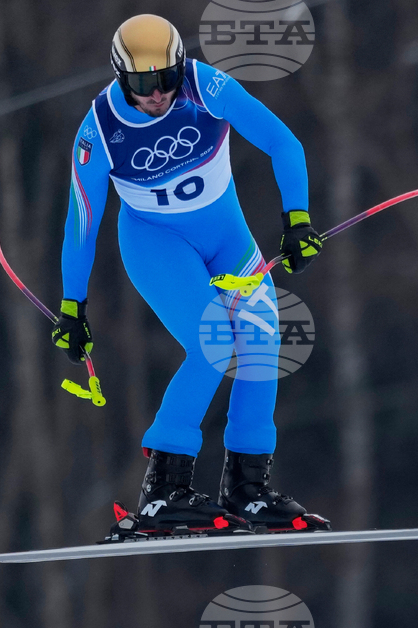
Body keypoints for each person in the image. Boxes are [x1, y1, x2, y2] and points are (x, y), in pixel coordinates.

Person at [51, 14, 328, 535]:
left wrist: (298, 221)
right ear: (119, 75)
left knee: (264, 339)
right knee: (213, 344)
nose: (156, 94)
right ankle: (162, 490)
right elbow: (82, 220)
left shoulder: (206, 86)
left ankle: (248, 487)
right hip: (157, 245)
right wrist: (72, 305)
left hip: (227, 238)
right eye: (140, 83)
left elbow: (284, 143)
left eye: (165, 79)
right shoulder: (100, 128)